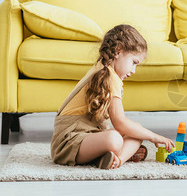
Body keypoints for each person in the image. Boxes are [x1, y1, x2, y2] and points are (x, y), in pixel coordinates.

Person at [51, 24, 174, 169]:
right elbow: (120, 123)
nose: (134, 70)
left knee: (137, 130)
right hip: (69, 143)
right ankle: (120, 155)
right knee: (115, 138)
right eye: (133, 63)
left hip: (88, 138)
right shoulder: (109, 76)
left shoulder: (103, 69)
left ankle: (114, 159)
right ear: (118, 50)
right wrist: (154, 136)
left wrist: (144, 134)